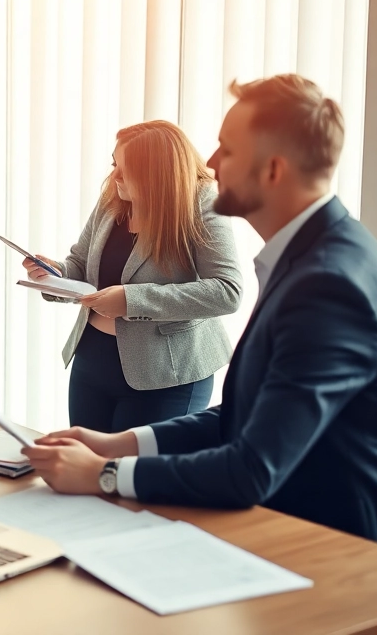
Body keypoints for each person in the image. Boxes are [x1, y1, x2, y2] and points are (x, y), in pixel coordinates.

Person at [24, 75, 377, 549]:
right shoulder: (312, 256)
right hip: (301, 524)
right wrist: (120, 445)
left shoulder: (330, 285)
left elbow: (250, 469)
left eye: (227, 149)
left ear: (274, 170)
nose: (212, 165)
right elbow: (250, 418)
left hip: (356, 550)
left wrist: (105, 474)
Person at [24, 121, 242, 432]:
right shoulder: (114, 199)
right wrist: (55, 275)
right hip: (92, 361)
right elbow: (81, 264)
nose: (115, 176)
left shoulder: (201, 200)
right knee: (88, 473)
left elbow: (226, 291)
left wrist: (131, 301)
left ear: (160, 172)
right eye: (115, 163)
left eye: (128, 169)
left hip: (167, 374)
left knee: (133, 478)